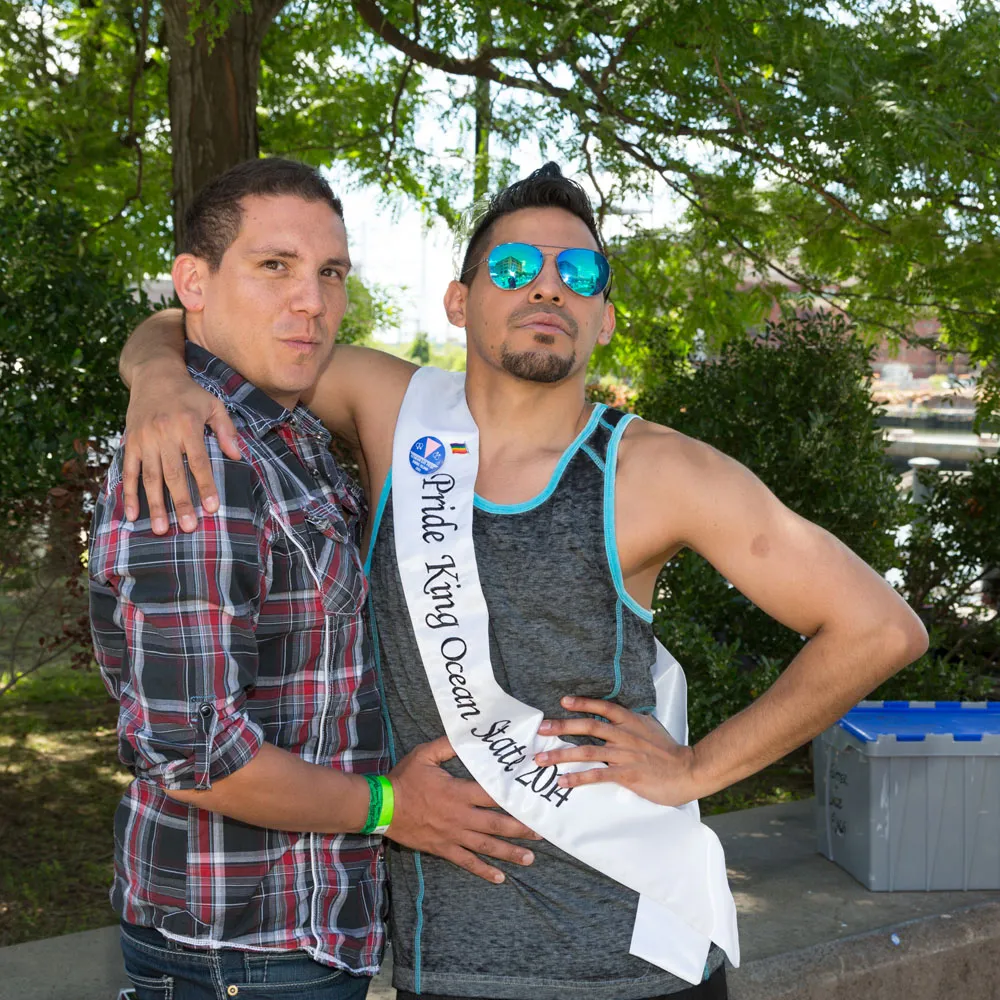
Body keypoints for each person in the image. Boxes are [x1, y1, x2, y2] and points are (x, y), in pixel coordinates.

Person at [118, 162, 928, 1000]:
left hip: (637, 963)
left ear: (605, 317)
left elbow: (880, 628)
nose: (547, 287)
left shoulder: (658, 471)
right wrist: (159, 377)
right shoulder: (389, 408)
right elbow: (200, 321)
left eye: (578, 272)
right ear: (459, 302)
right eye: (512, 268)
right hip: (448, 959)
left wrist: (697, 769)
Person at [89, 158, 539, 1000]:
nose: (312, 301)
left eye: (331, 273)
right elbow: (195, 755)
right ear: (194, 281)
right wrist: (390, 807)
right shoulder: (201, 457)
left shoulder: (284, 432)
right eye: (275, 266)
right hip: (240, 947)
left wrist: (155, 363)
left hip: (299, 932)